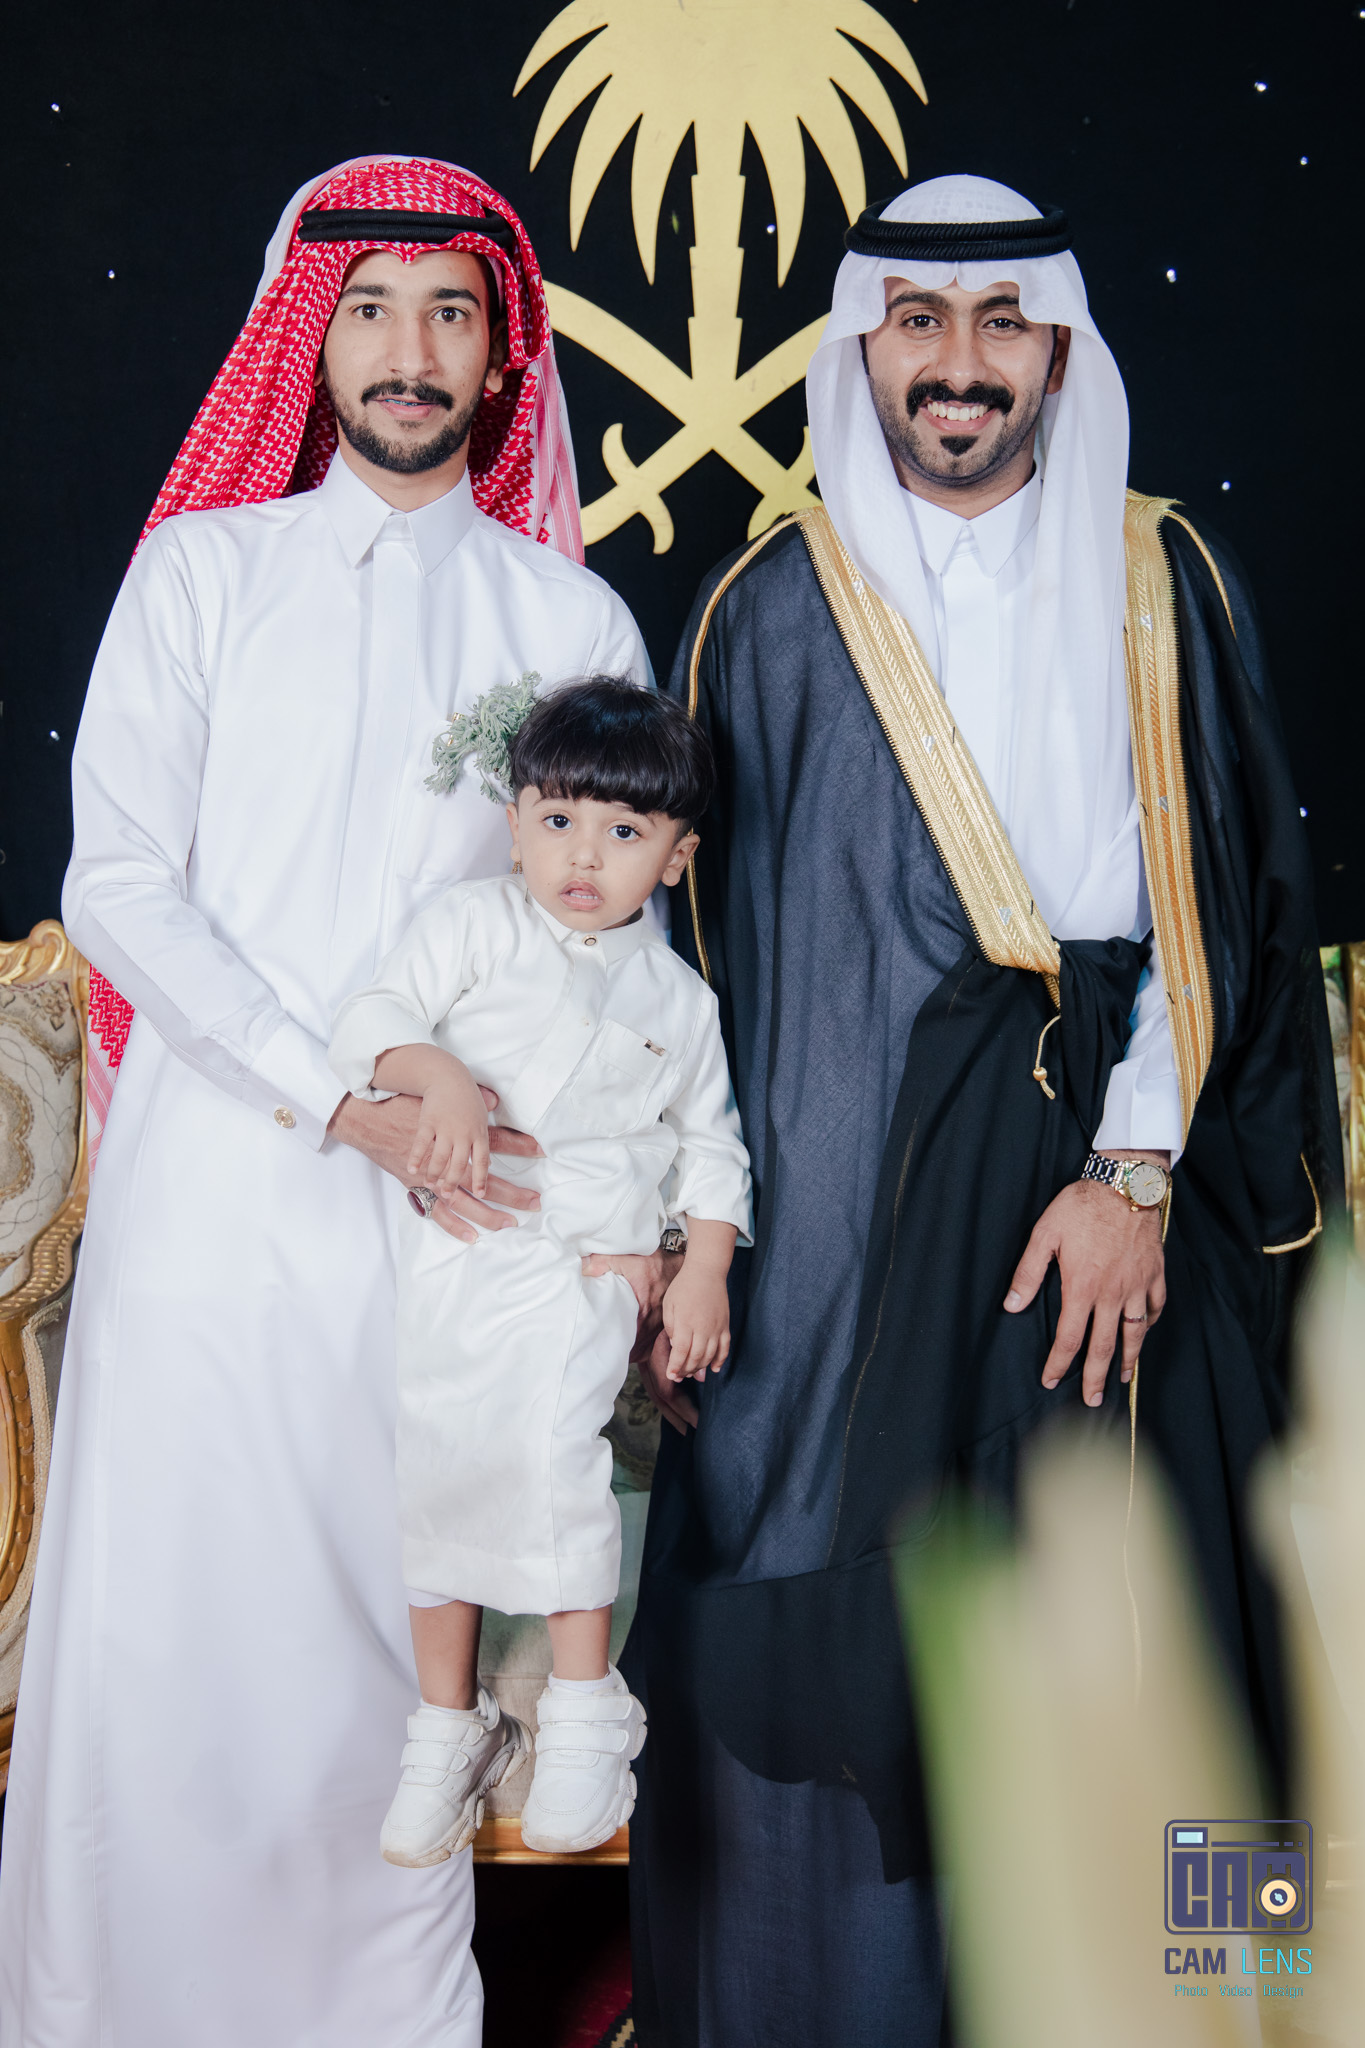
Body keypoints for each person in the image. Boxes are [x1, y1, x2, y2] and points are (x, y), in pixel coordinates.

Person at [623, 175, 1340, 2047]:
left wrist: (1134, 1168)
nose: (959, 365)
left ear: (1059, 353)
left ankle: (1234, 2019)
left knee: (1196, 1616)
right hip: (844, 1228)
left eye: (1002, 323)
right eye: (921, 323)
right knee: (842, 1630)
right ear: (864, 347)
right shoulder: (765, 609)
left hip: (1126, 1200)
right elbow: (693, 971)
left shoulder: (1164, 580)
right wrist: (690, 1240)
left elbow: (1226, 911)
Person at [0, 157, 650, 2047]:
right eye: (368, 308)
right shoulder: (206, 575)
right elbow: (121, 884)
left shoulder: (572, 620)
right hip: (215, 1198)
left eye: (449, 311)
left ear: (501, 352)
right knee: (173, 1634)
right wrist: (335, 1089)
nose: (408, 349)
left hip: (456, 1218)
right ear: (311, 337)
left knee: (389, 1660)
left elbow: (596, 933)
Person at [327, 678, 751, 1862]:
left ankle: (584, 1711)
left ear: (677, 856)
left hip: (589, 1267)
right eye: (559, 820)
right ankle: (447, 1724)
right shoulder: (470, 925)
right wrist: (438, 1077)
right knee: (438, 1468)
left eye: (625, 831)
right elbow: (369, 1017)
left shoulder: (681, 999)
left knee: (560, 1458)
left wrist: (702, 1268)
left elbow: (713, 1146)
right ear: (514, 824)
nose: (585, 854)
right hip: (463, 1254)